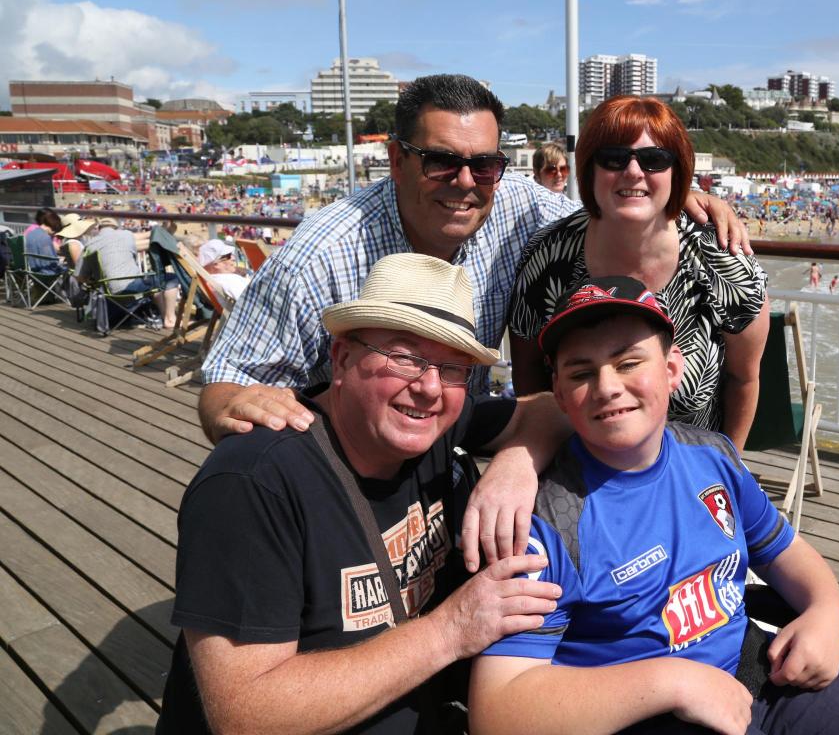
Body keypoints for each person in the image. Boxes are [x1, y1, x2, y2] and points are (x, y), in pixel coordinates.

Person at [470, 277, 839, 735]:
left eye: (628, 362)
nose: (607, 386)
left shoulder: (713, 459)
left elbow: (789, 556)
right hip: (645, 714)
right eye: (581, 372)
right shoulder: (544, 521)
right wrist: (675, 681)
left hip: (763, 678)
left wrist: (827, 611)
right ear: (557, 393)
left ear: (671, 370)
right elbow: (499, 710)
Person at [198, 74, 749, 448]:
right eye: (440, 162)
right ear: (395, 160)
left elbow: (612, 205)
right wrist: (237, 407)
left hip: (462, 439)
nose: (465, 183)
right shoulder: (322, 255)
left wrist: (678, 204)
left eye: (484, 164)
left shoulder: (514, 205)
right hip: (353, 455)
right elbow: (225, 384)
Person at [157, 253, 568, 734]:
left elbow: (550, 410)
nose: (430, 387)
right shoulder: (253, 483)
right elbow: (247, 715)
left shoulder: (437, 427)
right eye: (405, 356)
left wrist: (515, 463)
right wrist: (452, 630)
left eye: (454, 367)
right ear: (342, 357)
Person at [506, 95, 768, 449]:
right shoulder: (548, 255)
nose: (632, 172)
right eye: (613, 158)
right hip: (578, 468)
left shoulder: (724, 264)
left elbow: (743, 380)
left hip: (692, 468)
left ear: (677, 171)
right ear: (589, 169)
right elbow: (530, 376)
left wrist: (727, 469)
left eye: (654, 160)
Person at [78, 218, 179, 329]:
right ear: (116, 228)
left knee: (154, 285)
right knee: (171, 278)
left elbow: (81, 277)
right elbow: (151, 234)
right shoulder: (125, 235)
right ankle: (170, 319)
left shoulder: (90, 244)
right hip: (130, 288)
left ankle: (164, 316)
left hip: (109, 295)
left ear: (99, 229)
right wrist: (168, 227)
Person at [23, 208, 65, 273]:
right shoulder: (45, 238)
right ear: (53, 228)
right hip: (46, 273)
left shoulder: (30, 234)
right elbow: (51, 260)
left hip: (32, 271)